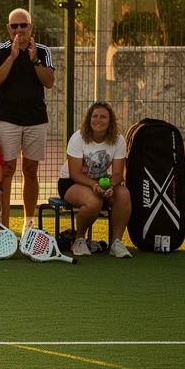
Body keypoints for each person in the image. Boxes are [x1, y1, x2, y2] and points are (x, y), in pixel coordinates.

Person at [0, 7, 56, 231]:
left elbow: (49, 82)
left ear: (31, 27)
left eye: (23, 25)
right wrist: (13, 57)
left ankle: (28, 221)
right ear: (8, 28)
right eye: (14, 26)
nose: (19, 30)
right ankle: (4, 223)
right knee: (6, 169)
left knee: (30, 170)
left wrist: (35, 61)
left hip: (36, 118)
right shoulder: (0, 50)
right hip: (7, 118)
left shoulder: (43, 51)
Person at [58, 101, 133, 258]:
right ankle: (79, 240)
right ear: (89, 119)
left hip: (102, 182)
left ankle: (116, 243)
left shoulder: (118, 140)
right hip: (72, 182)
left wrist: (111, 185)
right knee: (94, 202)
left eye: (103, 116)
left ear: (110, 121)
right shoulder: (78, 138)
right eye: (95, 116)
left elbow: (118, 173)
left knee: (124, 194)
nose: (98, 120)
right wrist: (94, 185)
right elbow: (75, 173)